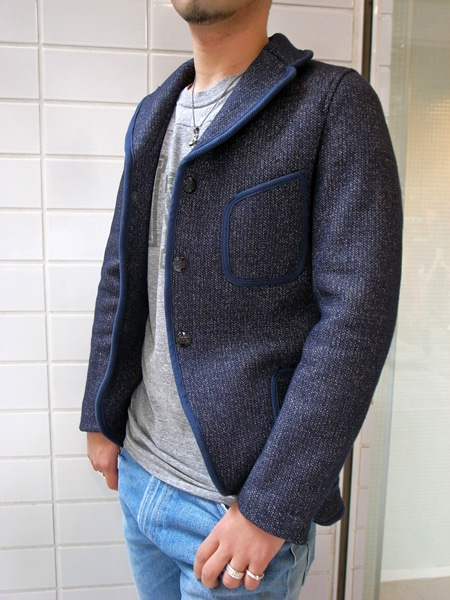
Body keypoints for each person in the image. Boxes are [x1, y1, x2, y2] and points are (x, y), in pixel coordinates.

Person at [80, 1, 402, 598]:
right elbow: (122, 272)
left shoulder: (332, 104)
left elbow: (357, 320)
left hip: (234, 515)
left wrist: (270, 509)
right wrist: (99, 415)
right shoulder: (153, 112)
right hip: (141, 475)